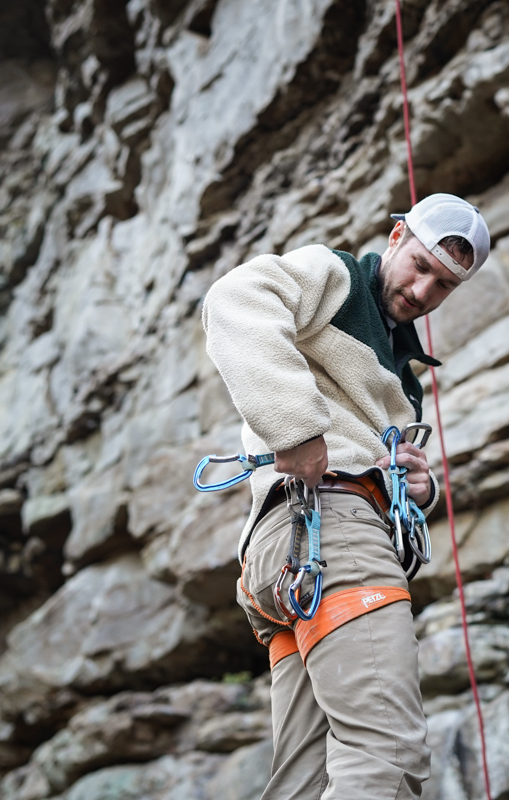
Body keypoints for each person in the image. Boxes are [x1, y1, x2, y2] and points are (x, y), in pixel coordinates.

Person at [200, 193, 491, 800]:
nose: (423, 290)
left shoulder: (403, 369)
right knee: (386, 753)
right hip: (332, 531)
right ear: (395, 237)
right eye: (420, 265)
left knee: (307, 783)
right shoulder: (338, 279)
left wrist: (418, 487)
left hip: (288, 554)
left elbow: (365, 452)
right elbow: (237, 297)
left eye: (443, 284)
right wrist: (297, 430)